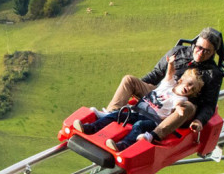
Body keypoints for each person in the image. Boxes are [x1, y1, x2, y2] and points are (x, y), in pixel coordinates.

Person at [102, 27, 224, 143]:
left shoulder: (213, 74)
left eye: (207, 51)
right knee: (129, 80)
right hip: (162, 93)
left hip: (180, 106)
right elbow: (156, 74)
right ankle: (111, 114)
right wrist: (137, 89)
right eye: (199, 47)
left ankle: (154, 134)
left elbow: (209, 104)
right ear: (195, 43)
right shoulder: (178, 52)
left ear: (213, 53)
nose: (201, 53)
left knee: (188, 107)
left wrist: (199, 120)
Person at [75, 64, 205, 150]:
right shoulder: (168, 85)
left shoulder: (181, 98)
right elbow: (169, 74)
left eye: (192, 89)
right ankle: (92, 127)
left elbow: (178, 104)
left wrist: (179, 109)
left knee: (139, 125)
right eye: (188, 84)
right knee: (117, 115)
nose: (188, 89)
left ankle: (124, 144)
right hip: (139, 110)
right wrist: (170, 63)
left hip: (152, 120)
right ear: (181, 81)